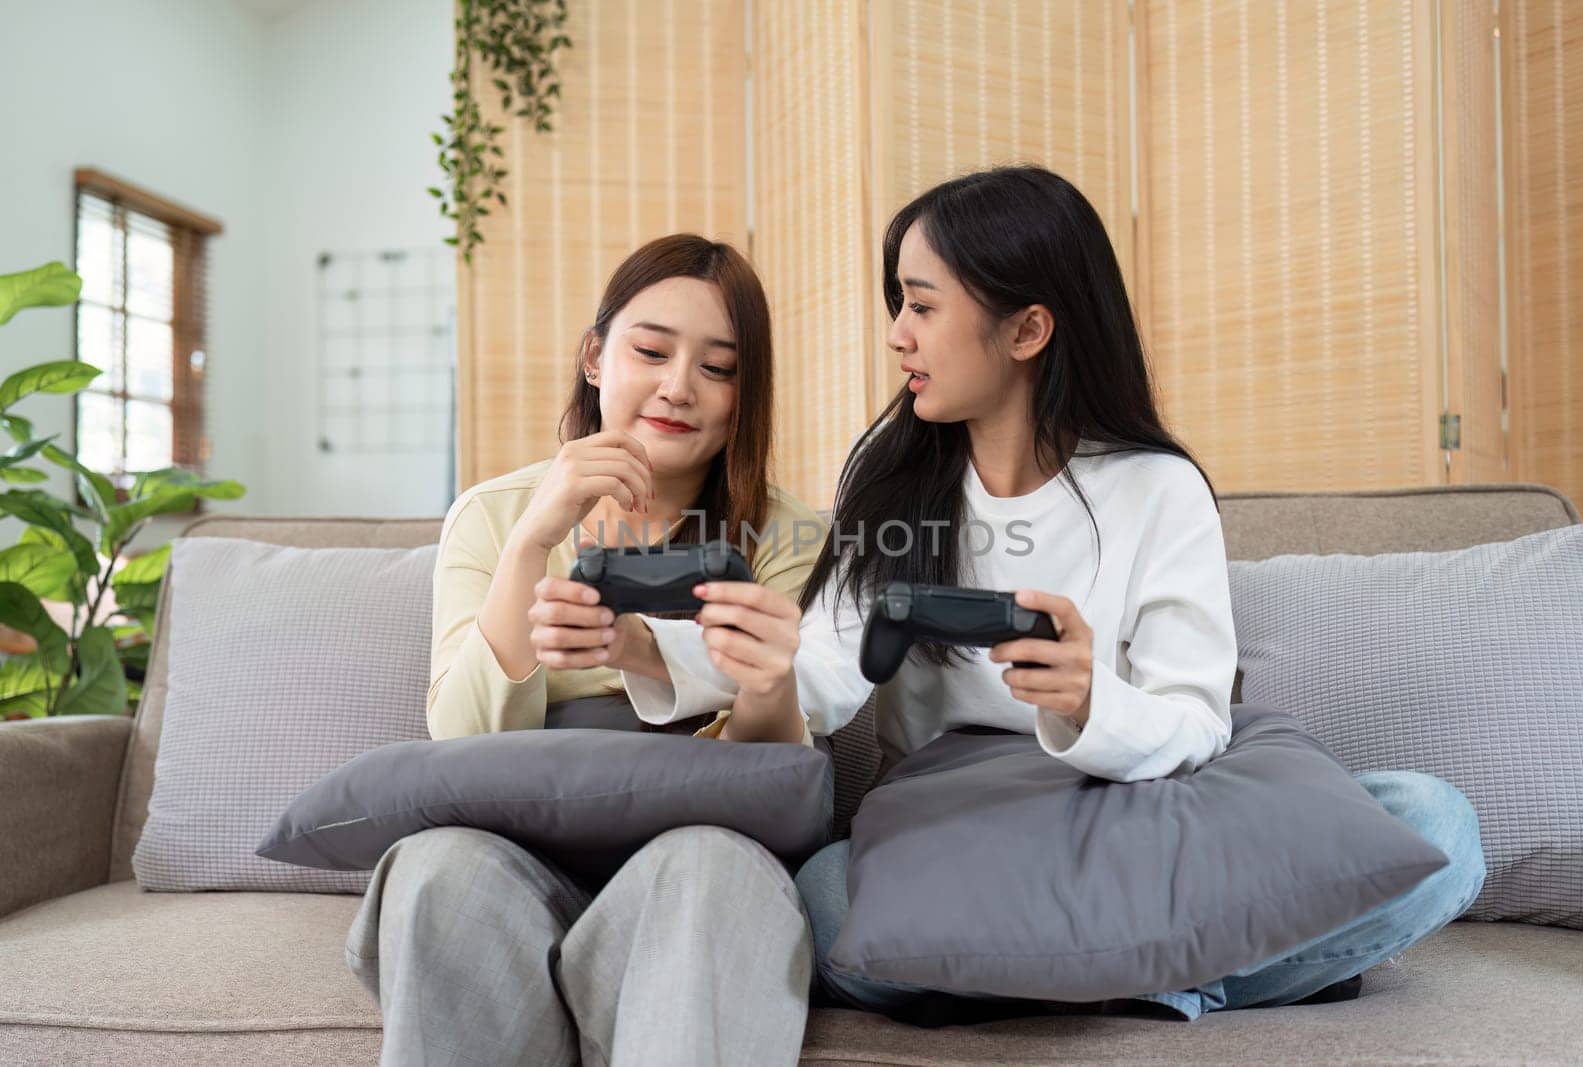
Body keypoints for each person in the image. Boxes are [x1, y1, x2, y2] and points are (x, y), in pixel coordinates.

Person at [624, 166, 1487, 1024]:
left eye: (922, 306)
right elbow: (816, 668)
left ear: (1028, 329)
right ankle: (1168, 977)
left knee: (1433, 825)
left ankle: (1102, 977)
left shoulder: (1158, 489)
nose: (897, 335)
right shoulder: (888, 473)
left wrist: (1086, 699)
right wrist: (648, 646)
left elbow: (1194, 720)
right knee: (826, 900)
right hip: (961, 825)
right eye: (899, 304)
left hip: (1137, 811)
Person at [346, 234, 824, 1065]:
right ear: (595, 357)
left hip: (694, 855)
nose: (680, 387)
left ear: (747, 398)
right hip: (514, 861)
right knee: (438, 867)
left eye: (720, 368)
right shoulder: (493, 515)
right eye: (651, 351)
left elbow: (771, 785)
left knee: (712, 871)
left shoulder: (790, 537)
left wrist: (757, 679)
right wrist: (534, 538)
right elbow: (457, 748)